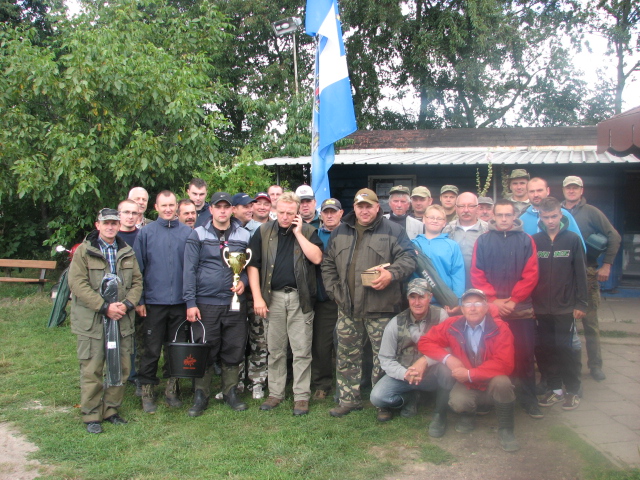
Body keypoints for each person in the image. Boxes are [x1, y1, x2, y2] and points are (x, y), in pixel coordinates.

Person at [322, 188, 416, 417]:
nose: (364, 210)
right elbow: (327, 264)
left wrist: (391, 274)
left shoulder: (394, 230)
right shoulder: (340, 231)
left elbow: (409, 258)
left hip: (381, 308)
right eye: (360, 206)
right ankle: (348, 400)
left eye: (369, 206)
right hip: (348, 307)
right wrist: (335, 292)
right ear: (354, 208)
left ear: (377, 207)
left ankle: (382, 402)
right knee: (346, 356)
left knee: (383, 358)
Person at [247, 192, 324, 415]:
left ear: (297, 212)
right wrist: (258, 297)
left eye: (290, 213)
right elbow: (253, 266)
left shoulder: (309, 231)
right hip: (273, 298)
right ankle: (276, 393)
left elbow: (317, 258)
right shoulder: (263, 231)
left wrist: (299, 234)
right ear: (274, 210)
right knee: (276, 349)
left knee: (301, 350)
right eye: (281, 212)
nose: (285, 217)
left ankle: (301, 396)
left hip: (301, 298)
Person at [68, 208, 143, 434]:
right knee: (92, 367)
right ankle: (91, 414)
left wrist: (127, 305)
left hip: (121, 319)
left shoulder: (127, 251)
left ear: (119, 225)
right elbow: (77, 283)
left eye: (114, 223)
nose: (110, 227)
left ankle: (111, 410)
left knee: (120, 366)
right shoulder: (84, 251)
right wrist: (104, 307)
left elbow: (137, 282)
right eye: (106, 223)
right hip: (93, 321)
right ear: (97, 225)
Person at [418, 289, 519, 452]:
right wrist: (448, 358)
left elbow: (505, 363)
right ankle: (468, 415)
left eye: (478, 303)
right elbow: (425, 341)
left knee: (503, 382)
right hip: (468, 384)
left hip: (490, 382)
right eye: (468, 304)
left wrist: (470, 374)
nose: (473, 308)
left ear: (486, 307)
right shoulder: (453, 324)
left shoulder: (500, 328)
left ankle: (506, 430)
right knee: (458, 402)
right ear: (462, 309)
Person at [471, 199, 542, 419]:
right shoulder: (482, 241)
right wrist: (493, 300)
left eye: (507, 215)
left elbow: (531, 274)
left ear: (514, 216)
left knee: (524, 355)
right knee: (489, 355)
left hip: (519, 310)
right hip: (491, 311)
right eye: (499, 215)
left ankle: (529, 399)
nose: (503, 219)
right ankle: (486, 399)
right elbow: (476, 272)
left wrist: (513, 300)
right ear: (493, 215)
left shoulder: (526, 240)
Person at [183, 192, 251, 415]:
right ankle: (201, 394)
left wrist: (244, 282)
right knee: (205, 347)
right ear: (210, 210)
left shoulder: (244, 235)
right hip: (206, 302)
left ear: (232, 210)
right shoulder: (198, 234)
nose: (222, 211)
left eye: (226, 207)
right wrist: (190, 302)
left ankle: (230, 391)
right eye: (218, 207)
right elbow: (189, 270)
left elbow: (251, 266)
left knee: (233, 347)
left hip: (234, 303)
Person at [134, 191, 193, 414]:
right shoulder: (146, 233)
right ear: (156, 208)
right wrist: (140, 300)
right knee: (151, 349)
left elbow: (192, 270)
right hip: (154, 302)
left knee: (175, 348)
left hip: (179, 302)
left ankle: (172, 388)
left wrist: (190, 302)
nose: (168, 209)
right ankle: (147, 390)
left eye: (171, 205)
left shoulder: (187, 233)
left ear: (176, 207)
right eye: (164, 205)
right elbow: (138, 270)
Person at [370, 279, 452, 427]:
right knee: (377, 397)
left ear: (430, 297)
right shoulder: (395, 323)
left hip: (431, 374)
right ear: (407, 298)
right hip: (405, 375)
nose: (417, 302)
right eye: (413, 297)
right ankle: (409, 398)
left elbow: (449, 349)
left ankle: (441, 413)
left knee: (448, 371)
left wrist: (425, 361)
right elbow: (385, 358)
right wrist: (405, 374)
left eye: (421, 297)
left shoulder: (441, 316)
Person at [562, 176, 621, 382]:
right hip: (563, 275)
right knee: (563, 324)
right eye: (568, 188)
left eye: (575, 188)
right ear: (563, 190)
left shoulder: (592, 212)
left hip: (587, 273)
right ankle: (566, 366)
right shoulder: (557, 212)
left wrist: (607, 264)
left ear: (581, 190)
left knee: (590, 323)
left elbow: (614, 236)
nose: (571, 191)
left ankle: (595, 365)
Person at [532, 197, 588, 411]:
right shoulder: (535, 240)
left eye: (554, 216)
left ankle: (573, 390)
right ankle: (555, 389)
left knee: (565, 349)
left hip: (565, 307)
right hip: (541, 308)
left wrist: (581, 303)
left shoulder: (572, 239)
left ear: (561, 214)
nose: (550, 221)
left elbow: (580, 274)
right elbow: (531, 274)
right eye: (546, 217)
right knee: (546, 349)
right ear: (540, 217)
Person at [312, 198, 344, 400]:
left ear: (341, 213)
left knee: (346, 345)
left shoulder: (350, 233)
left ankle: (345, 385)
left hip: (347, 299)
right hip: (324, 299)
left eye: (333, 211)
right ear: (321, 214)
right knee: (322, 345)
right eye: (326, 212)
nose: (330, 215)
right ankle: (322, 384)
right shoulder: (314, 235)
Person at [242, 192, 272, 399]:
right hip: (243, 294)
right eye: (258, 204)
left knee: (261, 341)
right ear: (251, 207)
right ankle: (237, 382)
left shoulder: (277, 228)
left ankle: (258, 381)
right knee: (239, 341)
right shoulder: (241, 231)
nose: (262, 207)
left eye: (266, 204)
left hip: (265, 295)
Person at [412, 205, 465, 301]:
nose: (435, 221)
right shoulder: (413, 244)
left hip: (444, 299)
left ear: (444, 223)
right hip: (418, 299)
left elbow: (458, 274)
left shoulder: (452, 245)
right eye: (431, 217)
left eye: (439, 218)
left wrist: (457, 299)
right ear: (424, 219)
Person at [442, 192, 489, 289]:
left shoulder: (487, 230)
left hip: (481, 285)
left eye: (471, 206)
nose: (466, 210)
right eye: (461, 206)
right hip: (454, 285)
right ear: (456, 208)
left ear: (477, 208)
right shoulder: (448, 229)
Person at [520, 178, 584, 246]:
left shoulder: (564, 215)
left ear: (547, 191)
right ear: (527, 193)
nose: (536, 195)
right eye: (532, 191)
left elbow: (579, 246)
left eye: (539, 190)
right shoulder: (522, 220)